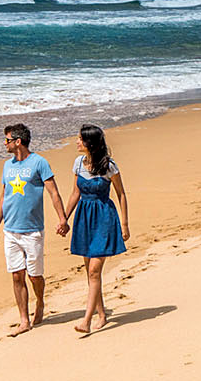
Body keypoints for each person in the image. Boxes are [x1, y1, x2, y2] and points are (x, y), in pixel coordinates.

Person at [0, 123, 69, 337]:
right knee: (17, 275)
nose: (4, 144)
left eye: (7, 140)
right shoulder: (7, 166)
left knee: (35, 276)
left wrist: (62, 219)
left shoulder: (39, 163)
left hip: (33, 230)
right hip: (11, 230)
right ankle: (24, 319)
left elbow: (53, 193)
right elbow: (4, 197)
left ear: (18, 141)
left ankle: (40, 301)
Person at [65, 124, 129, 334]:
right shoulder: (78, 163)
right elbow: (75, 193)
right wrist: (64, 218)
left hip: (104, 218)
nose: (77, 142)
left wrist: (125, 224)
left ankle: (86, 321)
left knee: (94, 271)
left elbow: (121, 194)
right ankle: (102, 315)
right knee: (90, 272)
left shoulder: (109, 166)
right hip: (84, 218)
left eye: (80, 139)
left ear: (90, 143)